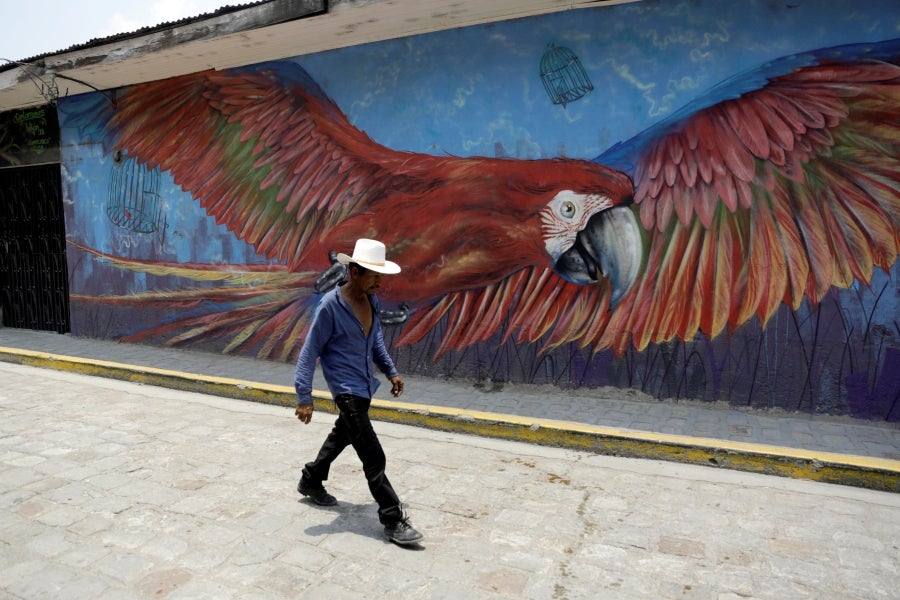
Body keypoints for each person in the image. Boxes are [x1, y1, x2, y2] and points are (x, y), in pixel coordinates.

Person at [293, 238, 424, 546]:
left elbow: (375, 340)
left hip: (365, 387)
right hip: (346, 391)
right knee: (373, 456)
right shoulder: (330, 307)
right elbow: (309, 352)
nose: (380, 281)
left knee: (342, 435)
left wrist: (391, 371)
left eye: (382, 274)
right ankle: (392, 518)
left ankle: (311, 479)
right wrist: (304, 396)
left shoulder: (370, 300)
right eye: (373, 274)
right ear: (354, 272)